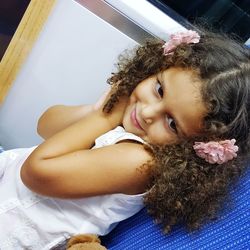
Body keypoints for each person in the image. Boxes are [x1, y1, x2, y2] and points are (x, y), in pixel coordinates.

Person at [0, 28, 250, 249]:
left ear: (196, 148)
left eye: (172, 123)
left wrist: (104, 119)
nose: (148, 112)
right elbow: (46, 126)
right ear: (159, 66)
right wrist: (94, 112)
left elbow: (34, 173)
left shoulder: (139, 160)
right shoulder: (132, 128)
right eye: (160, 89)